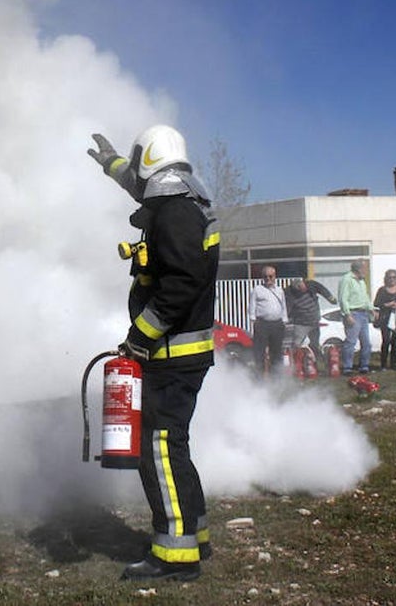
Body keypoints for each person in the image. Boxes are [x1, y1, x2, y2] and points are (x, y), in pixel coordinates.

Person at [88, 125, 218, 583]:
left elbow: (181, 283)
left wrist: (139, 337)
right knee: (174, 446)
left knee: (158, 449)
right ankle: (195, 534)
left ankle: (174, 555)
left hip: (170, 354)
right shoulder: (184, 200)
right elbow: (142, 183)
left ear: (150, 158)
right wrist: (111, 166)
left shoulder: (174, 214)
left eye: (134, 160)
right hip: (181, 353)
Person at [284, 277, 337, 369]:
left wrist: (330, 298)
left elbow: (321, 289)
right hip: (301, 323)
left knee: (315, 344)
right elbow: (286, 306)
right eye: (301, 289)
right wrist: (286, 318)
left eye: (304, 287)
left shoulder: (311, 284)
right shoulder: (289, 293)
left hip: (314, 321)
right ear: (296, 289)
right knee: (296, 344)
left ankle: (317, 364)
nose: (304, 290)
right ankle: (294, 366)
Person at [248, 265, 288, 375]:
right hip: (262, 324)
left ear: (275, 277)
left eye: (270, 276)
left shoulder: (280, 290)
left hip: (277, 324)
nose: (268, 279)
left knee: (276, 351)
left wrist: (284, 320)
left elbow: (283, 306)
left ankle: (276, 377)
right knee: (259, 352)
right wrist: (253, 321)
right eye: (265, 276)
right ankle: (259, 376)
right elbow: (252, 306)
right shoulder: (257, 290)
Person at [337, 259, 375, 373]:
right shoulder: (347, 279)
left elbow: (365, 298)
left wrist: (371, 309)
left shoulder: (362, 281)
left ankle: (364, 365)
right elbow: (343, 298)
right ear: (358, 269)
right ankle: (347, 367)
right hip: (353, 313)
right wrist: (347, 314)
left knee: (366, 342)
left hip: (363, 313)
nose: (366, 271)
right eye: (364, 268)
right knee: (351, 341)